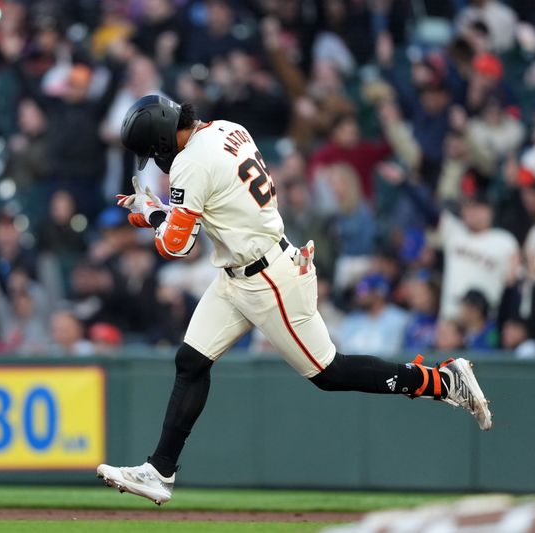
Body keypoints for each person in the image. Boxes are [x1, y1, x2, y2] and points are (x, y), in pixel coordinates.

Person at [96, 95, 493, 506]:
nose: (156, 158)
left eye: (153, 149)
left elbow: (177, 245)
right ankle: (160, 471)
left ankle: (444, 381)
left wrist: (153, 214)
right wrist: (161, 210)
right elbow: (217, 203)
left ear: (161, 139)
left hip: (268, 278)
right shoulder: (227, 128)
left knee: (329, 372)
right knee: (191, 362)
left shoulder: (189, 162)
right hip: (240, 269)